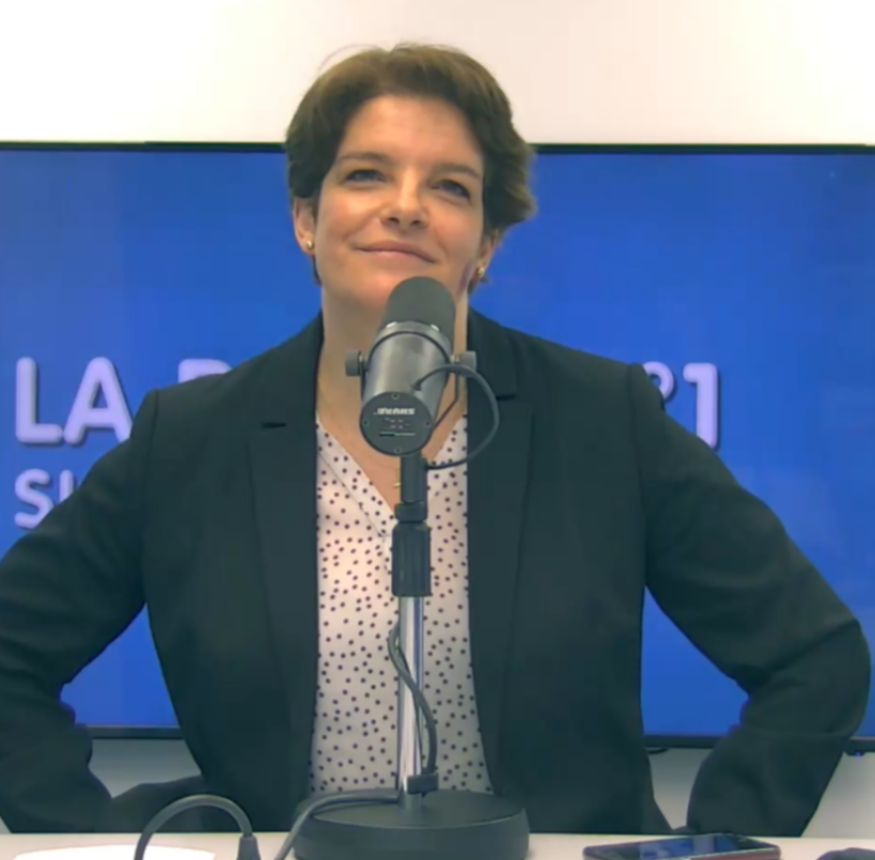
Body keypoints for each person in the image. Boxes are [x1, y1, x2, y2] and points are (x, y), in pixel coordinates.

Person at [0, 42, 869, 837]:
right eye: (366, 175)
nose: (406, 207)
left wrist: (711, 847)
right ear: (305, 216)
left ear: (485, 243)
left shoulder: (604, 418)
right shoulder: (189, 441)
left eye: (450, 187)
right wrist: (84, 841)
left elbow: (815, 657)